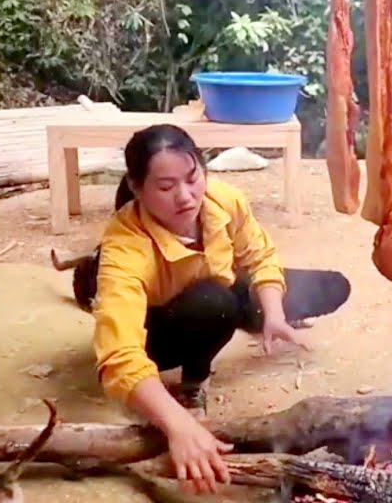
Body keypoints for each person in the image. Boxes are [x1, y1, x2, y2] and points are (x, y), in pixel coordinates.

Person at [81, 124, 350, 494]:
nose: (185, 196)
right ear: (136, 187)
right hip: (162, 329)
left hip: (217, 285)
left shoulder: (222, 200)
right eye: (165, 187)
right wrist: (178, 425)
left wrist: (273, 313)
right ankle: (193, 381)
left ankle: (255, 318)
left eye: (193, 178)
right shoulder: (125, 246)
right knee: (214, 303)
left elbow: (260, 255)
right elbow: (119, 357)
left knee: (330, 286)